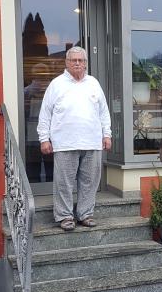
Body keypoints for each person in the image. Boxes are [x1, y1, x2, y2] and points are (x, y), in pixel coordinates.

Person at [37, 46, 111, 231]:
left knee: (90, 181)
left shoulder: (94, 83)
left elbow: (103, 111)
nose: (77, 63)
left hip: (92, 141)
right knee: (64, 182)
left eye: (81, 60)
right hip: (65, 143)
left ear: (86, 63)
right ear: (67, 63)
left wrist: (106, 134)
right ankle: (64, 216)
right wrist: (44, 138)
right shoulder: (56, 84)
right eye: (73, 60)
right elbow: (45, 113)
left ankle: (85, 214)